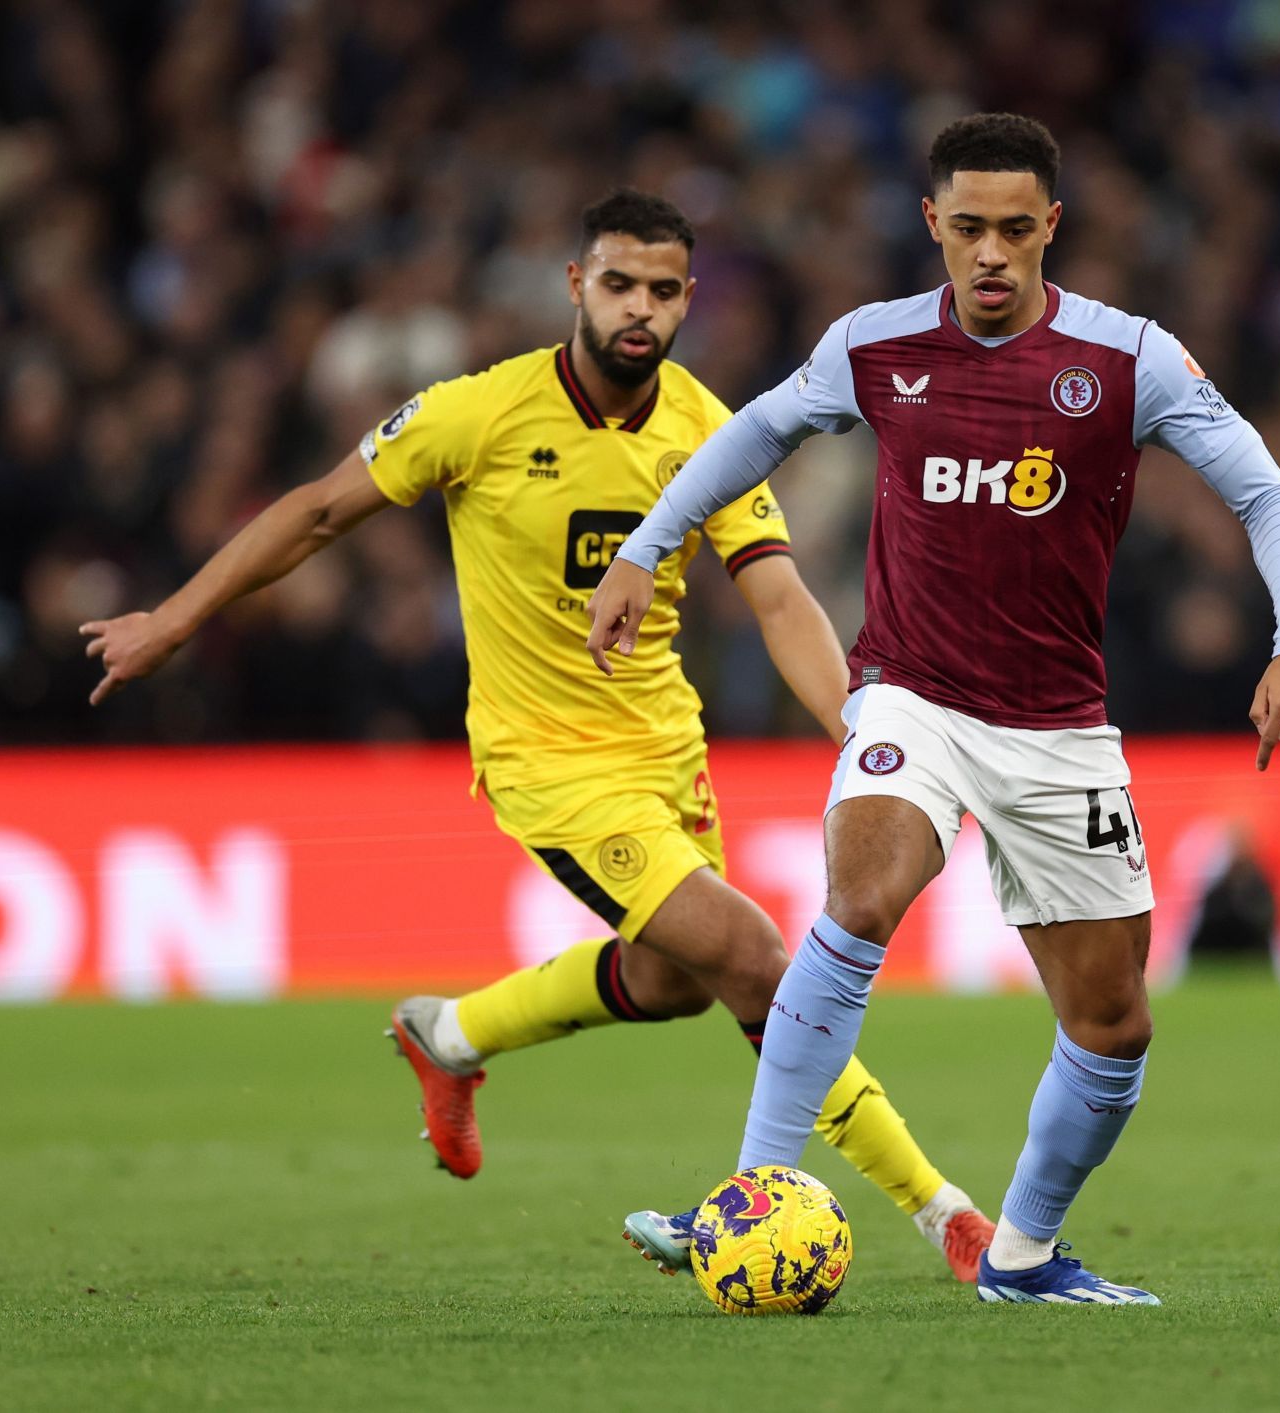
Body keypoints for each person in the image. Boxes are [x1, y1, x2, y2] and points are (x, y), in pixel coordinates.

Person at [79, 189, 995, 1283]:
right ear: (576, 286)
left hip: (666, 752)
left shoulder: (709, 427)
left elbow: (782, 599)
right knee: (757, 959)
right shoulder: (480, 413)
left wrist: (862, 736)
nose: (639, 310)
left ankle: (449, 1037)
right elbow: (319, 511)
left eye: (662, 291)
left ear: (688, 300)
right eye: (618, 284)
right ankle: (946, 1214)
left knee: (672, 983)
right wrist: (172, 620)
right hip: (548, 762)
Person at [588, 117, 1280, 1306]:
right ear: (933, 228)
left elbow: (1265, 493)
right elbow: (757, 429)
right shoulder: (875, 345)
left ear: (1052, 226)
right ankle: (745, 1198)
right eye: (969, 229)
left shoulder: (1131, 359)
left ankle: (1023, 1256)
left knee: (1113, 1028)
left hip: (1061, 730)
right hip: (912, 694)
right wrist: (648, 547)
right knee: (861, 895)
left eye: (1016, 228)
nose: (992, 254)